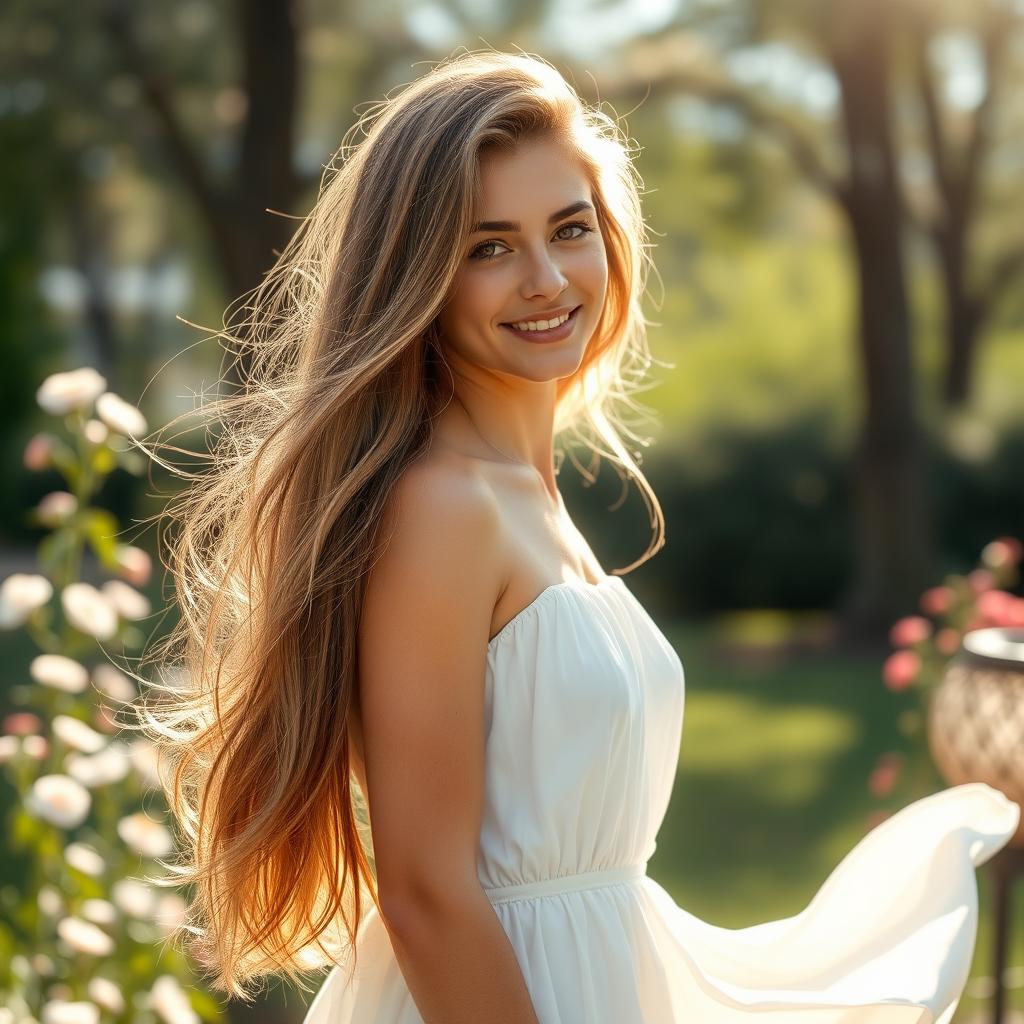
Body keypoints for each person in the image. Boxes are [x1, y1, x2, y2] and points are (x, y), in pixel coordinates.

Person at [129, 49, 1020, 1023]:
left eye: (569, 229)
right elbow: (427, 893)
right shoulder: (442, 508)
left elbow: (588, 882)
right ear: (417, 276)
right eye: (488, 246)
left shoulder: (524, 495)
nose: (546, 278)